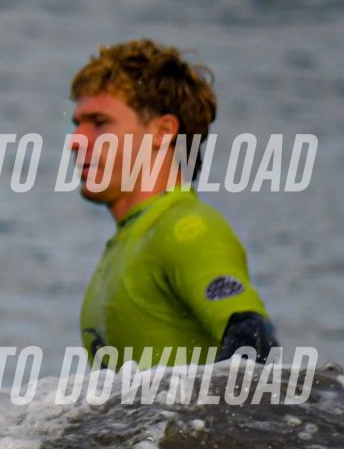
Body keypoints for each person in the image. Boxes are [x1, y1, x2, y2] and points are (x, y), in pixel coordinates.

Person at [67, 40, 274, 365]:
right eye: (77, 124)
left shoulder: (186, 229)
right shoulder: (130, 242)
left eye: (100, 123)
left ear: (163, 131)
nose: (77, 140)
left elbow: (254, 336)